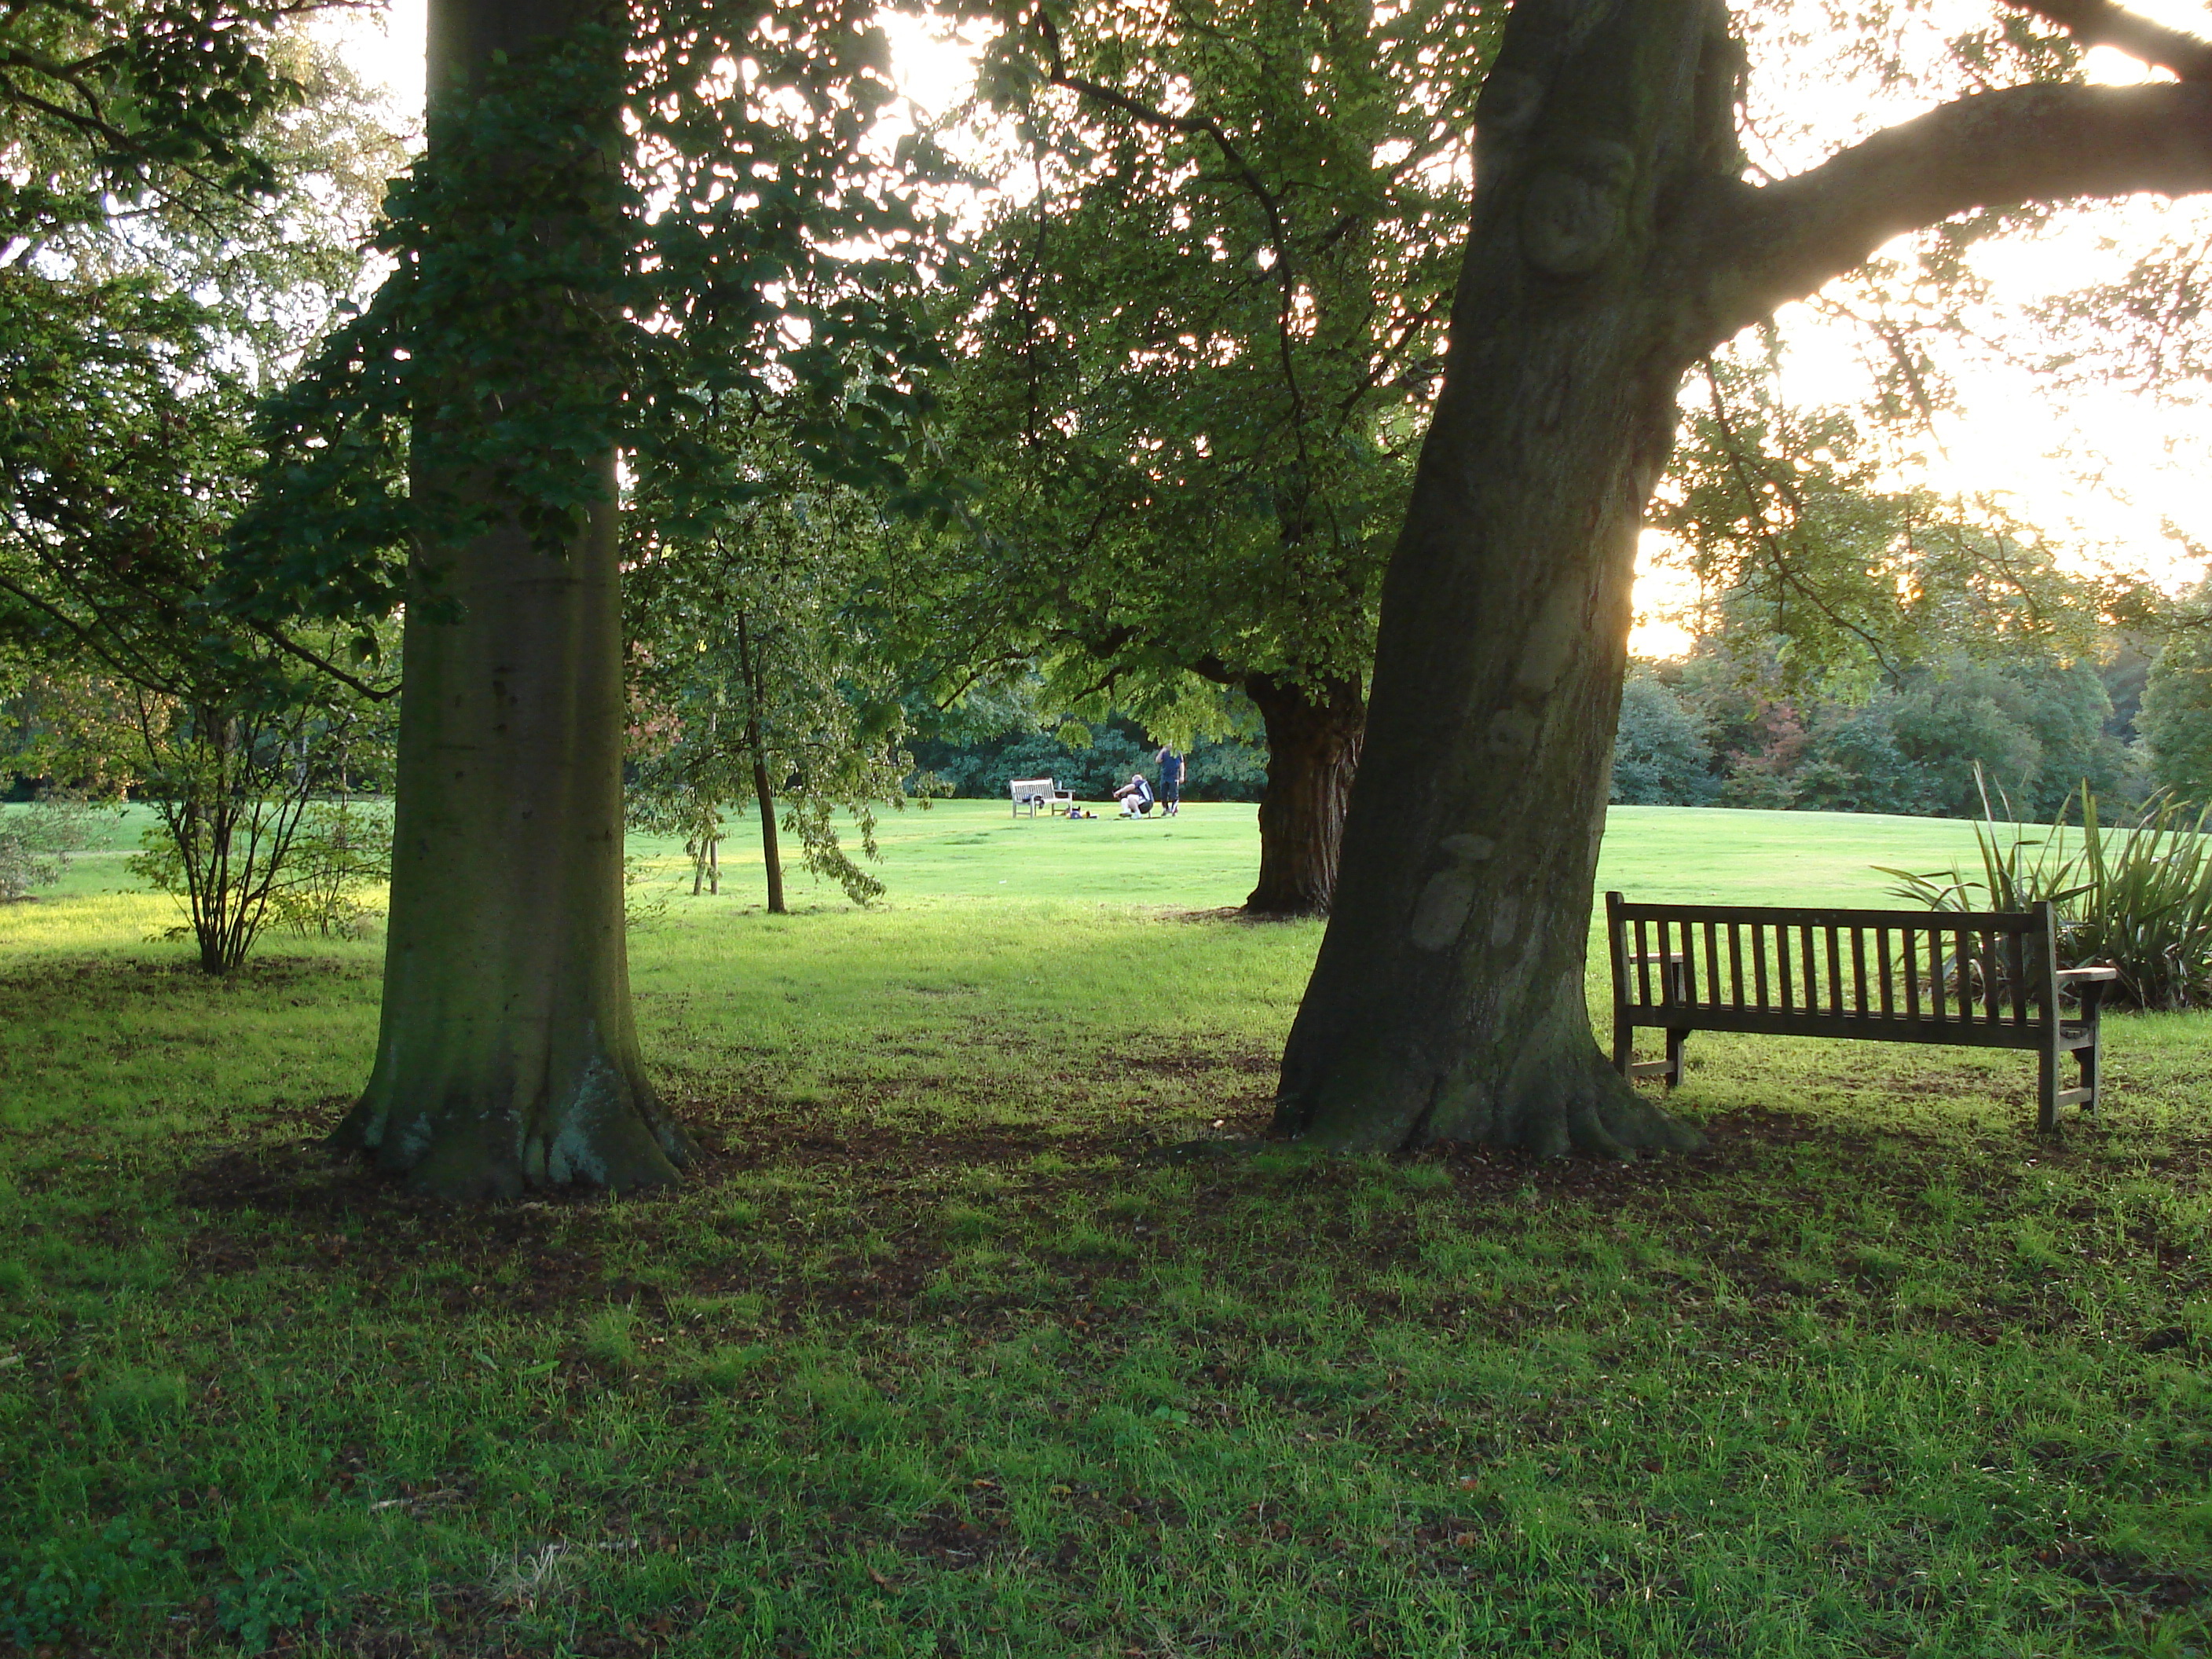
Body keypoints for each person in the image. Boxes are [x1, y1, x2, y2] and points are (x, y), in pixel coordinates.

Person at [1155, 745, 1183, 815]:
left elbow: (1181, 764)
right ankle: (1166, 809)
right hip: (1165, 776)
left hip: (1174, 776)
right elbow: (1157, 760)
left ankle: (1174, 809)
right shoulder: (1164, 753)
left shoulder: (1177, 753)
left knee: (1174, 794)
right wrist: (1162, 751)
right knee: (1163, 794)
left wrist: (1182, 775)